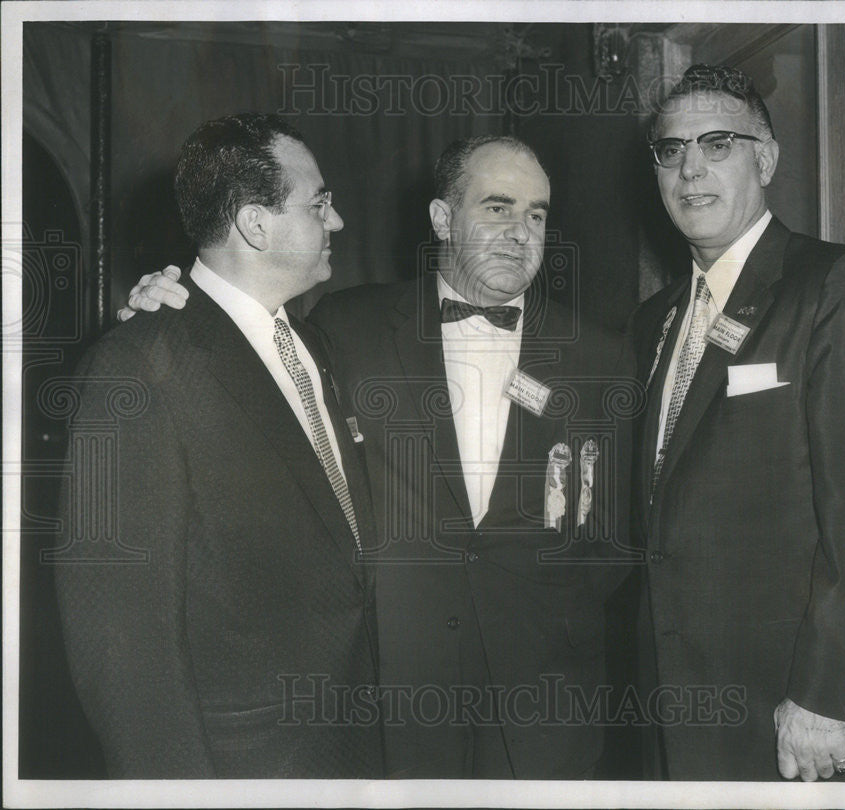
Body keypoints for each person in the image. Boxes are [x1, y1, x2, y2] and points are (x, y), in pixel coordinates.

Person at [120, 134, 639, 779]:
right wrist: (167, 302)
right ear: (442, 218)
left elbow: (614, 545)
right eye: (497, 208)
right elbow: (245, 355)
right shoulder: (345, 326)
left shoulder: (601, 355)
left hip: (545, 702)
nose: (521, 232)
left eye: (537, 214)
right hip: (389, 696)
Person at [55, 114, 382, 778]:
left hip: (347, 753)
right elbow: (119, 643)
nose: (338, 222)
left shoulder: (313, 345)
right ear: (257, 226)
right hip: (239, 767)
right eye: (319, 204)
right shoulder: (137, 366)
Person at [630, 64, 845, 781]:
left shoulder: (839, 284)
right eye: (671, 150)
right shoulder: (653, 321)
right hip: (673, 716)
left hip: (796, 718)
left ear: (765, 159)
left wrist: (825, 697)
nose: (690, 169)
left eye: (717, 144)